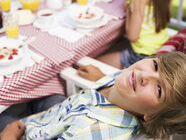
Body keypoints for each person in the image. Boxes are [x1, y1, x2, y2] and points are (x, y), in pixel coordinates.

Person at [1, 52, 186, 140]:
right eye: (155, 66)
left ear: (152, 116)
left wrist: (9, 135)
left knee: (5, 115)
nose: (145, 76)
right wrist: (100, 77)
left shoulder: (89, 134)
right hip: (59, 113)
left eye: (160, 90)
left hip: (29, 133)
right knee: (46, 88)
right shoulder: (127, 83)